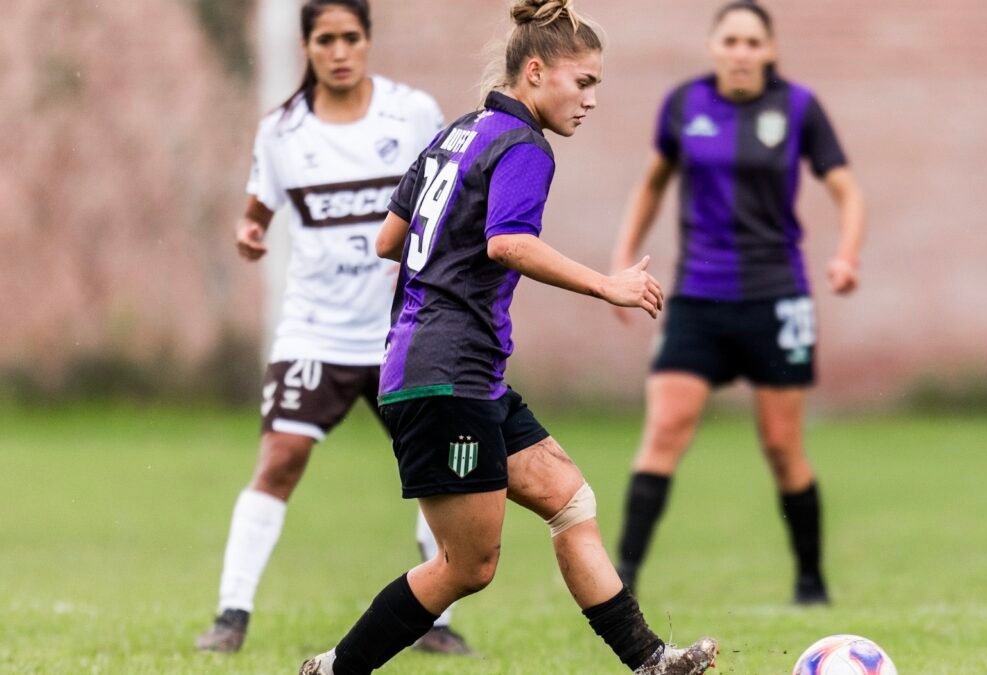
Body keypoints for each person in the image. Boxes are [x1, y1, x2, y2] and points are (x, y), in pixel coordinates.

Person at [298, 1, 718, 674]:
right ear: (534, 70)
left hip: (459, 369)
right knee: (468, 566)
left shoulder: (459, 133)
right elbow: (507, 242)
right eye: (583, 82)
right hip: (447, 373)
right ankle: (333, 669)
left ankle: (650, 660)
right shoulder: (523, 145)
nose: (591, 99)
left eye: (597, 86)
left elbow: (388, 239)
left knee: (568, 497)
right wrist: (605, 284)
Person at [195, 0, 470, 654]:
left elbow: (450, 200)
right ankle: (231, 614)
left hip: (404, 328)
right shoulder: (283, 130)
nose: (339, 51)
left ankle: (436, 622)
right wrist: (249, 229)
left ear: (368, 40)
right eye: (326, 39)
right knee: (280, 457)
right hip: (316, 330)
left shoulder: (413, 114)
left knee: (432, 469)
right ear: (307, 46)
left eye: (351, 37)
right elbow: (258, 206)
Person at [610, 0, 866, 605]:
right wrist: (623, 258)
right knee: (665, 430)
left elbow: (847, 191)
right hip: (700, 298)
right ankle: (620, 582)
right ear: (713, 47)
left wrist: (846, 256)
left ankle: (811, 582)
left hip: (777, 299)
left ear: (770, 50)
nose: (742, 52)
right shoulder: (683, 105)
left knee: (782, 447)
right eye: (731, 41)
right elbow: (651, 183)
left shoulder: (799, 108)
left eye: (754, 43)